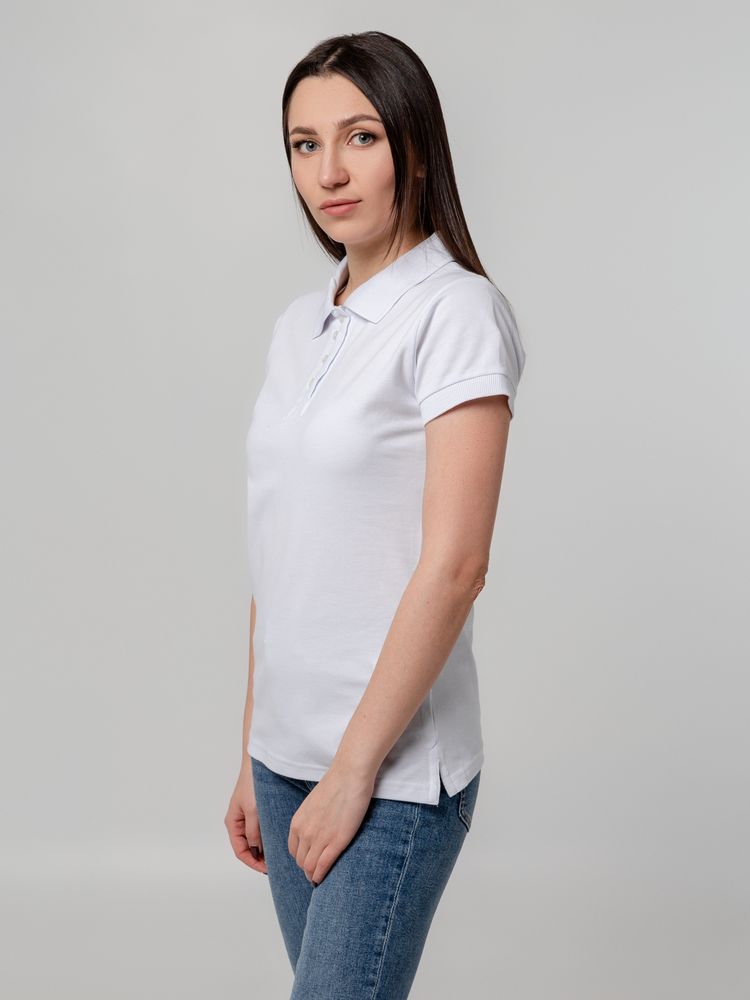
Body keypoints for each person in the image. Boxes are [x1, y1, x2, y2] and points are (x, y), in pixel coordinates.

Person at [225, 30, 526, 999]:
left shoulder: (455, 312)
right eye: (304, 144)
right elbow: (279, 551)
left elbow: (457, 565)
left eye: (359, 137)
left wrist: (353, 772)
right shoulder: (299, 325)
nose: (328, 172)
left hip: (391, 773)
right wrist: (254, 751)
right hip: (286, 760)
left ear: (415, 147)